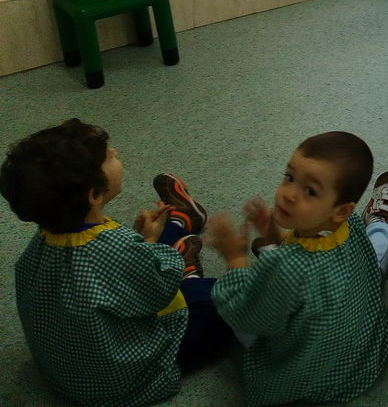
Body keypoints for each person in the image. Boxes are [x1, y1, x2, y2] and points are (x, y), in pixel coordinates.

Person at [0, 119, 231, 407]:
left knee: (148, 244)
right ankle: (189, 265)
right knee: (222, 300)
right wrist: (146, 244)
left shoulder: (48, 235)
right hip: (130, 380)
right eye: (110, 156)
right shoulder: (117, 246)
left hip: (69, 377)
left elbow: (110, 272)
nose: (116, 152)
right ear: (94, 194)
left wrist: (141, 244)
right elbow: (159, 289)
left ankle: (182, 219)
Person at [206, 132, 388, 407]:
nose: (289, 194)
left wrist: (235, 256)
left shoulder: (283, 268)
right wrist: (273, 232)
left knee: (228, 304)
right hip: (361, 343)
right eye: (289, 177)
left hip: (309, 372)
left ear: (341, 210)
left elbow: (246, 315)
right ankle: (379, 220)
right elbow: (313, 250)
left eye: (310, 191)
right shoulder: (349, 225)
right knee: (379, 244)